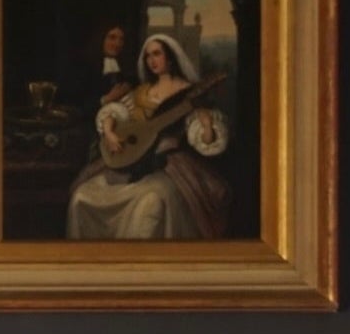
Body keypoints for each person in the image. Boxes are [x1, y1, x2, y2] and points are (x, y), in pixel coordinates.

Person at [66, 33, 231, 242]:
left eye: (157, 54)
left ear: (170, 58)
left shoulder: (188, 94)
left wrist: (206, 124)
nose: (151, 61)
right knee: (82, 196)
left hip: (168, 164)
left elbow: (205, 140)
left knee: (150, 202)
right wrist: (109, 133)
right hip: (129, 159)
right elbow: (114, 112)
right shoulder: (141, 91)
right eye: (147, 56)